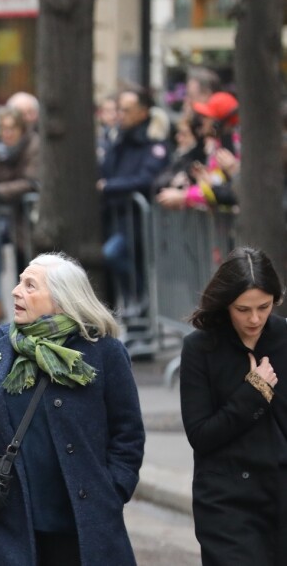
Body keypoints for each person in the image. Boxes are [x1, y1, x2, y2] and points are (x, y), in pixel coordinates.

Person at [0, 252, 144, 565]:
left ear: (61, 300)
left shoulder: (103, 352)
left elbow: (128, 433)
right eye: (19, 283)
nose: (16, 292)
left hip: (84, 525)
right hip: (8, 523)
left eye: (30, 286)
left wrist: (112, 491)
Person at [180, 246, 287, 566]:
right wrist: (254, 391)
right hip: (227, 502)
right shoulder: (200, 348)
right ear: (226, 303)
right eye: (243, 309)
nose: (254, 318)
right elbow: (201, 434)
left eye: (264, 307)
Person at [97, 88, 170, 314]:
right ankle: (135, 307)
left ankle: (139, 300)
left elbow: (146, 179)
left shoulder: (153, 142)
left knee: (113, 253)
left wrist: (109, 187)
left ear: (143, 112)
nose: (120, 115)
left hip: (137, 219)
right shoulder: (118, 138)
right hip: (116, 215)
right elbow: (106, 170)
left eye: (126, 110)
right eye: (119, 109)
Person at [0, 106, 40, 330]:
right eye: (3, 128)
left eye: (12, 128)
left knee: (28, 266)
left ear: (21, 129)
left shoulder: (34, 144)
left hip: (27, 218)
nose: (7, 133)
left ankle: (32, 314)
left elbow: (31, 181)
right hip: (2, 216)